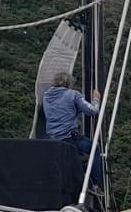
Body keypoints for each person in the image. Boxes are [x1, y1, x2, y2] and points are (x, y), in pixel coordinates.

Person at [42, 71, 103, 201]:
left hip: (53, 139)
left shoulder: (46, 96)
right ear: (69, 83)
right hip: (70, 137)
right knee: (95, 149)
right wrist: (96, 99)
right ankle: (94, 184)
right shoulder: (73, 94)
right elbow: (92, 110)